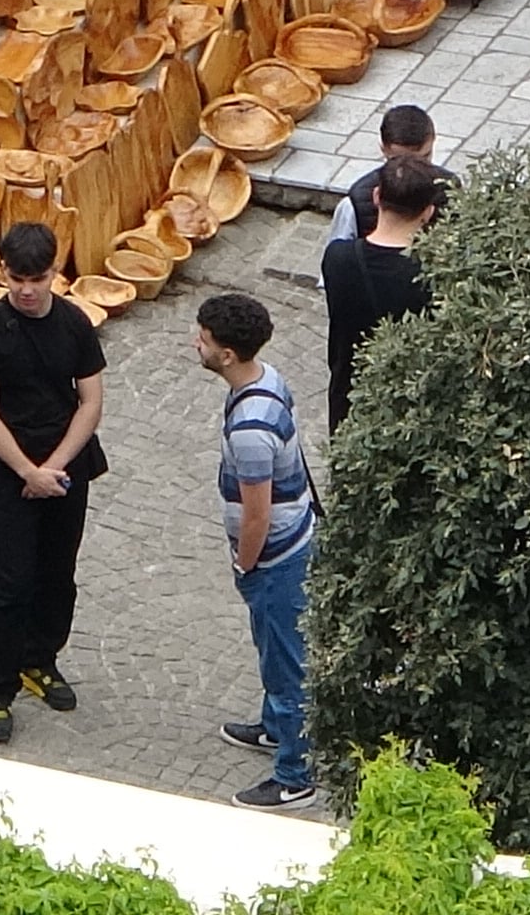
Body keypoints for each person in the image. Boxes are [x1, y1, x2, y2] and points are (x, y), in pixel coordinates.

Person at [0, 223, 107, 744]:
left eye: (37, 278)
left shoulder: (75, 325)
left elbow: (90, 401)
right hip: (9, 471)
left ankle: (39, 660)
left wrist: (56, 468)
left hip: (65, 466)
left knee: (58, 573)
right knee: (13, 580)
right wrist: (27, 472)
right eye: (16, 278)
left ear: (54, 275)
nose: (26, 289)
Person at [194, 291, 322, 811]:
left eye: (203, 339)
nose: (194, 344)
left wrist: (244, 562)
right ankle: (274, 728)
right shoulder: (268, 380)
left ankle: (295, 773)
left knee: (286, 662)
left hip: (275, 556)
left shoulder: (250, 430)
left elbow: (257, 512)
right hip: (293, 539)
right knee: (274, 650)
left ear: (227, 354)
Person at [318, 155, 444, 431]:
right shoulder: (436, 275)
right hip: (414, 405)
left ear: (376, 196)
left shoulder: (338, 258)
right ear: (428, 212)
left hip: (349, 394)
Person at [321, 103, 436, 245]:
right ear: (383, 149)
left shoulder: (451, 190)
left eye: (423, 159)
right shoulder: (355, 204)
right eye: (399, 161)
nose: (412, 170)